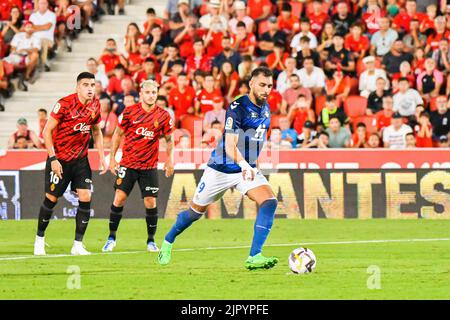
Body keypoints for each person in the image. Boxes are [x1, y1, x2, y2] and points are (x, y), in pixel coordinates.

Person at [158, 67, 280, 270]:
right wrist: (243, 164)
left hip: (245, 169)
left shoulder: (266, 108)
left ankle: (254, 256)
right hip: (220, 169)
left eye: (269, 85)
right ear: (251, 83)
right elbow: (231, 144)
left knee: (269, 202)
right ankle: (168, 240)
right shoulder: (237, 106)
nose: (266, 89)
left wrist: (253, 164)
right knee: (195, 212)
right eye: (262, 85)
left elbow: (257, 139)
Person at [34, 72, 108, 256]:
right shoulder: (65, 104)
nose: (90, 88)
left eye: (92, 85)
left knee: (85, 196)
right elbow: (46, 132)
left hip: (80, 161)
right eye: (86, 85)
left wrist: (101, 156)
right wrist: (53, 159)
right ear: (78, 87)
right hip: (60, 159)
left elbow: (96, 131)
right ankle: (39, 240)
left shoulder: (95, 105)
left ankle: (77, 245)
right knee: (51, 199)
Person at [102, 80, 174, 253]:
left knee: (150, 202)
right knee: (119, 198)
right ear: (141, 93)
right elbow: (117, 135)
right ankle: (111, 238)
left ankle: (151, 241)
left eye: (154, 93)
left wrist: (169, 159)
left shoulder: (163, 116)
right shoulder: (129, 112)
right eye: (148, 92)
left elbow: (169, 140)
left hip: (149, 166)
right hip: (128, 163)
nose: (151, 95)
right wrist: (112, 159)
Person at [29, 0, 56, 72]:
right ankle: (33, 66)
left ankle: (44, 63)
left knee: (42, 43)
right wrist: (42, 27)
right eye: (41, 3)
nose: (43, 5)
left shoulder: (52, 15)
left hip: (47, 39)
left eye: (44, 3)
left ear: (47, 4)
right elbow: (30, 27)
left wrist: (35, 27)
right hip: (33, 39)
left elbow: (47, 27)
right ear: (38, 4)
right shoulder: (33, 15)